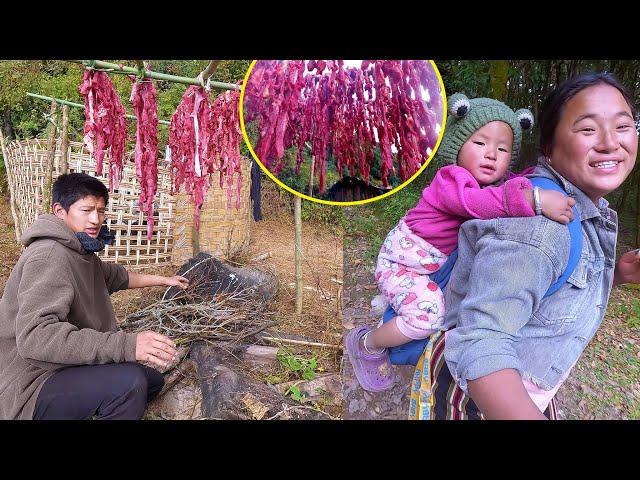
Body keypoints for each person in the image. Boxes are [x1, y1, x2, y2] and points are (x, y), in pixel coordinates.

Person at [427, 72, 640, 419]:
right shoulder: (541, 228)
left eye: (623, 126)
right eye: (587, 129)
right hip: (479, 396)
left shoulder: (583, 210)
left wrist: (614, 274)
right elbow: (480, 341)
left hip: (526, 385)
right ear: (549, 148)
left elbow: (550, 288)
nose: (609, 143)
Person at [345, 94, 576, 392]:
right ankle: (367, 344)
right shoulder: (450, 180)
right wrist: (534, 198)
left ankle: (393, 314)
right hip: (402, 265)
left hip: (427, 264)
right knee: (426, 317)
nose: (491, 154)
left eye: (502, 148)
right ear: (458, 146)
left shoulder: (489, 185)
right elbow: (477, 203)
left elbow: (502, 191)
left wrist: (538, 180)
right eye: (480, 143)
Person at [0, 173, 189, 420]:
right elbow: (37, 338)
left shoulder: (78, 252)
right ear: (60, 211)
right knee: (129, 385)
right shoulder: (48, 256)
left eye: (100, 211)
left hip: (60, 368)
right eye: (86, 209)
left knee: (149, 380)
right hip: (31, 383)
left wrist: (165, 280)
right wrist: (127, 345)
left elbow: (117, 276)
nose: (95, 220)